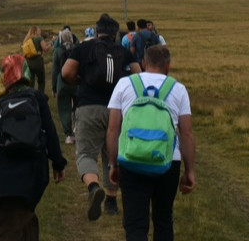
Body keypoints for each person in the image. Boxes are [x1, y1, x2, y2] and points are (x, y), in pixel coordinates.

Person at [0, 54, 67, 240]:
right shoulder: (36, 98)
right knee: (22, 216)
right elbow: (50, 133)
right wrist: (58, 164)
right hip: (31, 174)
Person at [106, 44, 196, 241]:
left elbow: (113, 129)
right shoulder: (178, 89)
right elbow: (186, 133)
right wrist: (189, 171)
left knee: (135, 224)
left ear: (143, 63)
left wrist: (113, 164)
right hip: (168, 162)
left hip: (131, 160)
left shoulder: (124, 84)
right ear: (168, 66)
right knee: (163, 220)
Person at [62, 13, 140, 221]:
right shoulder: (123, 51)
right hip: (117, 109)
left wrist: (80, 81)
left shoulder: (83, 48)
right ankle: (112, 202)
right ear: (115, 34)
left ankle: (93, 187)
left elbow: (66, 72)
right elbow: (137, 73)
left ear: (96, 32)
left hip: (88, 106)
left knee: (86, 153)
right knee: (112, 154)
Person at [51, 27, 78, 144]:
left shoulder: (57, 51)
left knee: (64, 108)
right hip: (76, 82)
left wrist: (54, 87)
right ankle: (78, 128)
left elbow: (54, 70)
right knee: (78, 106)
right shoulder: (77, 49)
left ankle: (69, 135)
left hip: (62, 83)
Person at [21, 26, 50, 93]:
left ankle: (30, 96)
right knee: (41, 81)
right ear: (35, 31)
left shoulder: (26, 40)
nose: (40, 32)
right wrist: (51, 44)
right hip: (38, 61)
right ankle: (40, 97)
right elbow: (45, 49)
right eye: (39, 30)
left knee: (31, 82)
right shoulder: (39, 38)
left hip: (28, 62)